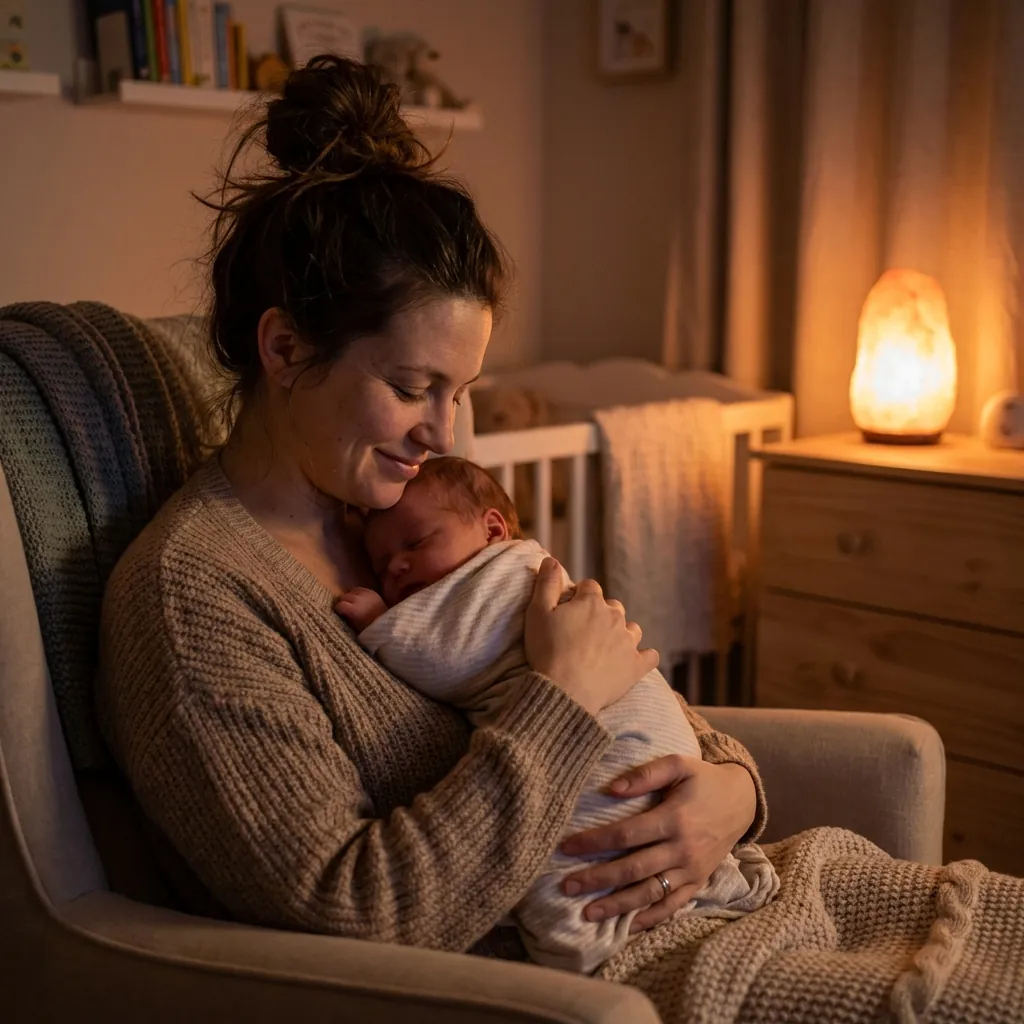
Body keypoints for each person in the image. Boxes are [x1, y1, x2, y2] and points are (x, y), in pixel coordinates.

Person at [95, 54, 765, 965]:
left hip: (715, 894)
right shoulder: (194, 597)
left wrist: (731, 792)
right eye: (413, 388)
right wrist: (560, 699)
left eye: (462, 392)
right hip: (591, 968)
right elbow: (353, 917)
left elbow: (625, 685)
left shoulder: (412, 515)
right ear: (286, 347)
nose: (443, 435)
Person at [337, 455, 780, 973]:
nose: (395, 568)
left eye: (414, 544)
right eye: (382, 562)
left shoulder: (502, 578)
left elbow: (449, 660)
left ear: (493, 530)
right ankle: (617, 918)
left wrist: (381, 624)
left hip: (642, 743)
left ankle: (592, 924)